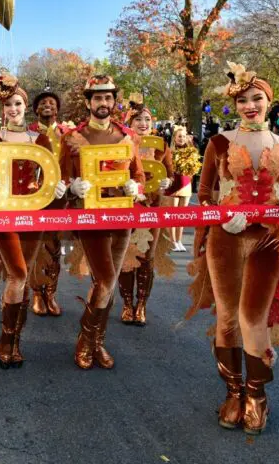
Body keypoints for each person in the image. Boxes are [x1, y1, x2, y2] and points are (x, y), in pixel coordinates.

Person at [186, 62, 279, 435]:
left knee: (252, 318)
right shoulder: (218, 143)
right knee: (226, 317)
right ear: (234, 105)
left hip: (268, 239)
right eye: (242, 100)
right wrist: (219, 216)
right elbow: (203, 193)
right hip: (226, 239)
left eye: (257, 98)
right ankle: (233, 392)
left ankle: (257, 396)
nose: (250, 105)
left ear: (269, 101)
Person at [0, 75, 63, 368]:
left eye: (18, 103)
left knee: (21, 278)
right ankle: (5, 339)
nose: (13, 108)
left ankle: (15, 342)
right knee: (18, 275)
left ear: (26, 107)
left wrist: (61, 189)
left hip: (32, 215)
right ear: (3, 109)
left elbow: (53, 178)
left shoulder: (41, 139)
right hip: (2, 214)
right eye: (8, 104)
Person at [60, 74, 144, 370]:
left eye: (108, 97)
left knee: (106, 284)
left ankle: (96, 343)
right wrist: (71, 188)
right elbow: (61, 177)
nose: (104, 103)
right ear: (88, 102)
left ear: (114, 101)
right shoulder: (71, 138)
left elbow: (140, 175)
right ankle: (85, 341)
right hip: (90, 216)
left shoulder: (127, 136)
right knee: (107, 279)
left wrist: (137, 188)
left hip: (122, 217)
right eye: (98, 98)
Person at [117, 98, 174, 327]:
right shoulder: (122, 142)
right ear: (129, 121)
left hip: (152, 208)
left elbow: (171, 175)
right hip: (126, 208)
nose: (142, 123)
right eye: (137, 119)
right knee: (126, 257)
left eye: (147, 119)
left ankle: (141, 304)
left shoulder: (161, 145)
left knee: (146, 258)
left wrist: (167, 182)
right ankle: (126, 304)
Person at [27, 85, 67, 317]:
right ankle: (36, 293)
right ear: (35, 109)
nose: (47, 106)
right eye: (42, 103)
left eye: (51, 103)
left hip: (59, 197)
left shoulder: (67, 133)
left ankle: (50, 293)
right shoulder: (28, 132)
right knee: (36, 246)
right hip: (32, 197)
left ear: (57, 109)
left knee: (54, 247)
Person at [163, 126, 198, 251]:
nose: (181, 138)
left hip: (186, 185)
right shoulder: (169, 151)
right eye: (179, 136)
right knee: (172, 215)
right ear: (174, 138)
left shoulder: (191, 151)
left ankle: (179, 240)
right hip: (173, 185)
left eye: (183, 136)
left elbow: (194, 169)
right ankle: (172, 241)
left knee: (181, 216)